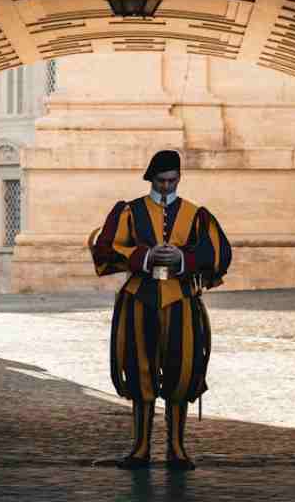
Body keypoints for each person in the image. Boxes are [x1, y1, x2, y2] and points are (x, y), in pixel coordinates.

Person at [88, 149, 232, 471]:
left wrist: (182, 259)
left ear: (178, 178)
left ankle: (177, 449)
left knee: (182, 373)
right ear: (151, 178)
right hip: (140, 300)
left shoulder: (196, 215)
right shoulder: (130, 211)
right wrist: (145, 256)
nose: (167, 187)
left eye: (172, 180)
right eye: (161, 181)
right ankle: (140, 448)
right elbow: (106, 247)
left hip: (181, 301)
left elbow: (217, 252)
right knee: (140, 372)